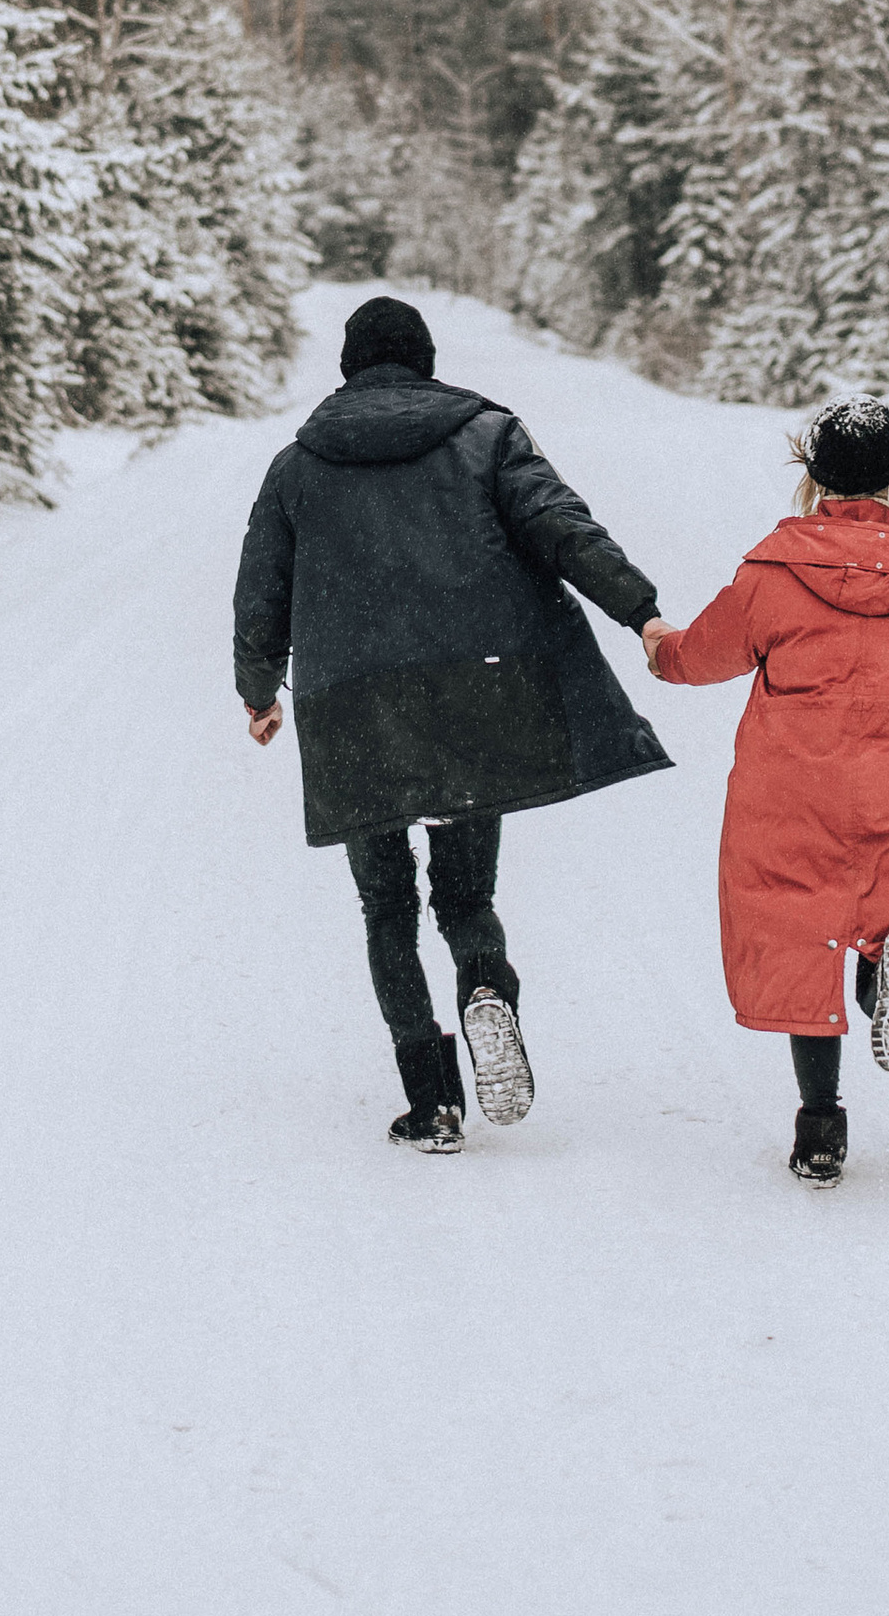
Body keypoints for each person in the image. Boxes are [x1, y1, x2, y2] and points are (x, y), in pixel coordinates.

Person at [233, 294, 671, 1153]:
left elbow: (261, 589)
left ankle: (430, 1101)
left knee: (386, 905)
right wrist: (643, 614)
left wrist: (258, 690)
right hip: (479, 690)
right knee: (466, 894)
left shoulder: (297, 464)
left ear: (349, 367)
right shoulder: (488, 434)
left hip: (353, 706)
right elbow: (562, 530)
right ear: (426, 361)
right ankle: (484, 987)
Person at [644, 395, 889, 1188]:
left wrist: (659, 644)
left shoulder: (773, 571)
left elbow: (701, 657)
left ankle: (819, 1130)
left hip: (799, 786)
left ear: (814, 473)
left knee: (803, 937)